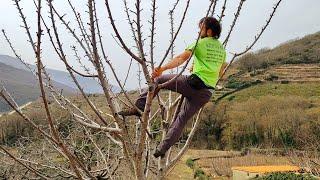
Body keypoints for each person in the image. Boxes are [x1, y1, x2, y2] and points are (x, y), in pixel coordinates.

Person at [119, 17, 227, 158]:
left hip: (192, 84)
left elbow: (181, 59)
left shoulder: (200, 43)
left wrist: (163, 68)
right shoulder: (222, 50)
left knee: (158, 80)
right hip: (206, 93)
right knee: (181, 120)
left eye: (201, 28)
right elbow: (220, 73)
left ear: (209, 31)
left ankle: (139, 107)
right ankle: (162, 149)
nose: (199, 31)